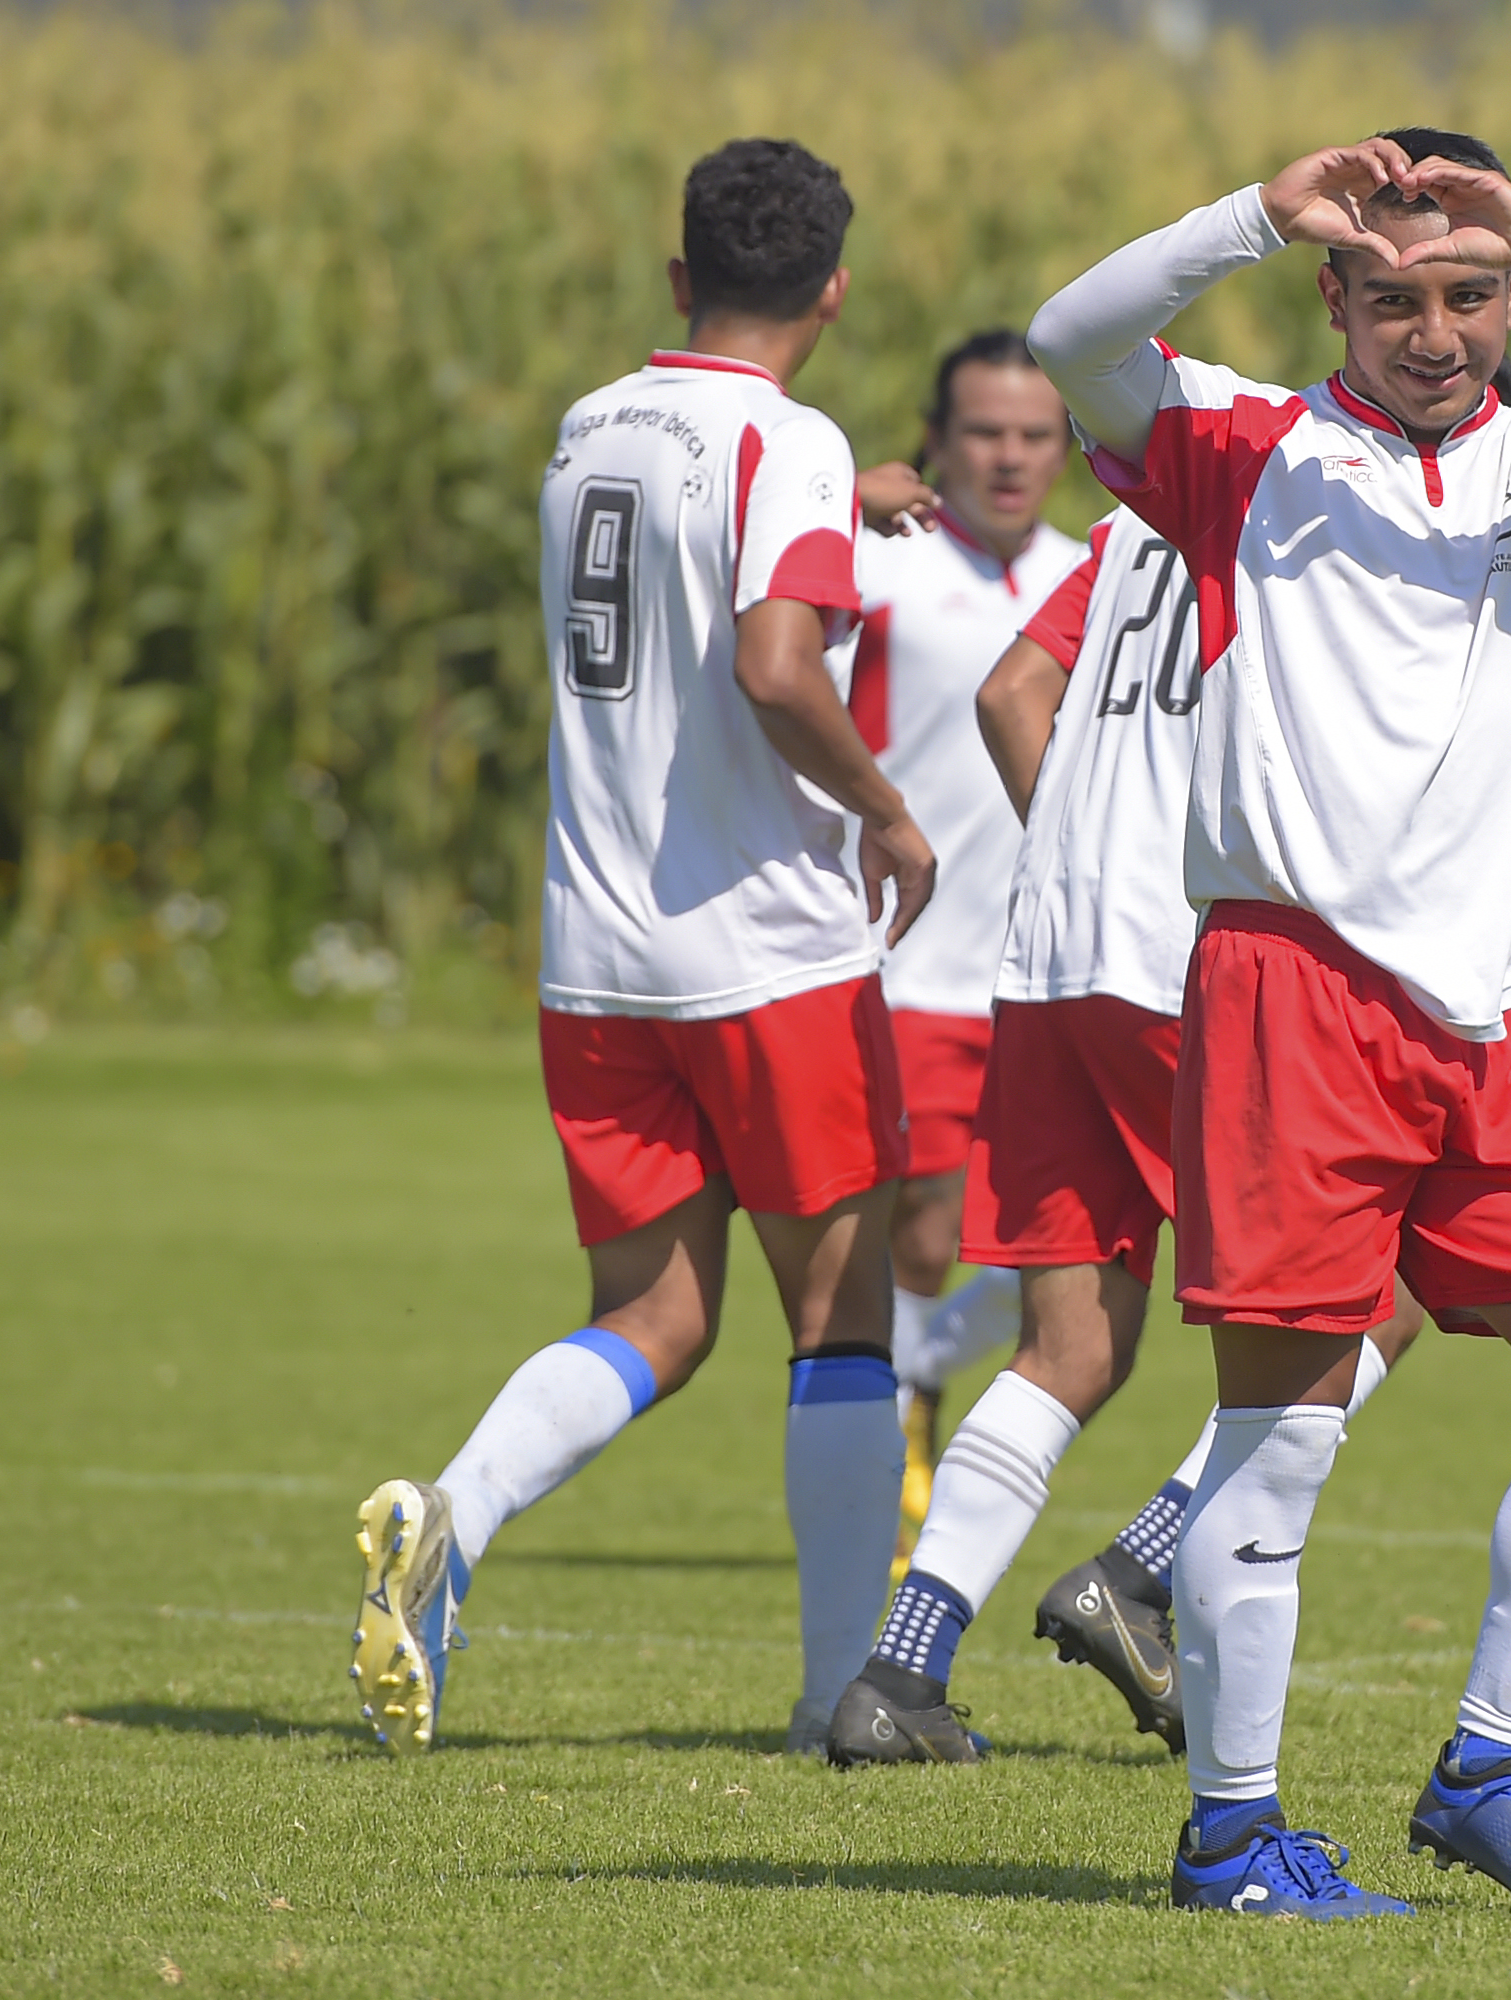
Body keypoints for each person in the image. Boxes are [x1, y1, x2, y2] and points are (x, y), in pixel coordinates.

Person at [1028, 129, 1511, 1916]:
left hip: (1501, 1015)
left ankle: (1489, 1774)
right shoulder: (1239, 451)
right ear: (1334, 300)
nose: (1437, 330)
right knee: (1283, 1437)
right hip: (1293, 997)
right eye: (1394, 295)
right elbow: (1070, 335)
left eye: (1470, 294)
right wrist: (1252, 217)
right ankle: (1232, 1837)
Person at [347, 137, 935, 1760]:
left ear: (679, 279)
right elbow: (769, 659)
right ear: (832, 285)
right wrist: (886, 809)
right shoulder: (788, 443)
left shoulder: (592, 425)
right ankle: (836, 1703)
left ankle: (450, 1511)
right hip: (768, 951)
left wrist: (849, 498)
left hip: (598, 959)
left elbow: (697, 550)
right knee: (844, 1316)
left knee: (657, 1319)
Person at [824, 499, 1431, 1767]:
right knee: (1389, 1279)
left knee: (1069, 1347)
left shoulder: (1139, 511)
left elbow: (1010, 693)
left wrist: (1090, 848)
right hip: (1183, 963)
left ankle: (898, 1674)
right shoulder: (1327, 508)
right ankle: (1142, 1571)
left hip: (1052, 957)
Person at [836, 334, 1086, 1557]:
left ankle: (914, 1372)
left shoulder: (1091, 571)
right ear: (937, 438)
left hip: (1057, 960)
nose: (1011, 456)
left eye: (1037, 434)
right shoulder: (879, 570)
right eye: (986, 431)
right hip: (915, 955)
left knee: (1072, 1230)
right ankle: (891, 1447)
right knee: (926, 1221)